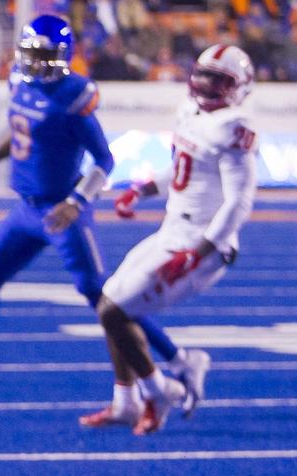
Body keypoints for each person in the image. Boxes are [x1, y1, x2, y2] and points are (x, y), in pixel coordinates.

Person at [0, 15, 207, 409]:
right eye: (31, 53)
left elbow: (104, 159)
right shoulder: (19, 81)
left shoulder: (73, 96)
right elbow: (25, 134)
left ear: (63, 55)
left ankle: (181, 360)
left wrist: (77, 202)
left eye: (43, 54)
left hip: (60, 211)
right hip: (26, 210)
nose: (34, 61)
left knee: (106, 299)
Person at [81, 45, 258, 435]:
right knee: (110, 302)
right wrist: (141, 190)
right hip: (174, 230)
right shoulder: (190, 112)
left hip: (204, 243)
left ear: (240, 87)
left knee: (114, 312)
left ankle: (158, 391)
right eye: (203, 75)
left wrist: (199, 252)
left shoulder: (234, 127)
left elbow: (239, 203)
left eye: (219, 80)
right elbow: (182, 169)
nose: (206, 85)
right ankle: (128, 401)